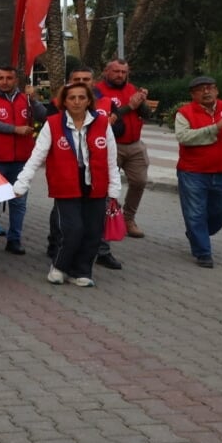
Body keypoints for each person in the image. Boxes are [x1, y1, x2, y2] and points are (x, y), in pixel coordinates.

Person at [13, 82, 120, 287]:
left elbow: (111, 159)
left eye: (82, 97)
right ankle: (60, 266)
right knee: (72, 229)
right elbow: (37, 156)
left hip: (95, 183)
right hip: (66, 183)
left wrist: (114, 190)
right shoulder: (53, 124)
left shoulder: (102, 124)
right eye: (72, 98)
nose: (77, 102)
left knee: (92, 231)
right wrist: (22, 183)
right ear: (64, 101)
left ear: (89, 100)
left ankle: (81, 270)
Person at [43, 66, 126, 270]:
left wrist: (110, 124)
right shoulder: (57, 105)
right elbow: (47, 133)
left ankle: (100, 254)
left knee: (94, 221)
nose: (82, 81)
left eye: (86, 78)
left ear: (93, 81)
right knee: (67, 221)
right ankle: (58, 248)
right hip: (66, 176)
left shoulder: (106, 103)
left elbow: (120, 129)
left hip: (96, 174)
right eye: (77, 78)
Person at [173, 75, 222, 269]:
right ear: (193, 94)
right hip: (193, 172)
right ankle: (203, 253)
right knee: (195, 213)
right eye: (201, 89)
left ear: (217, 91)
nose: (206, 91)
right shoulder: (184, 112)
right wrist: (214, 129)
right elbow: (184, 137)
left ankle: (196, 233)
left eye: (210, 88)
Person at [0, 67, 45, 254]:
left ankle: (14, 239)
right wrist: (14, 129)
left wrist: (34, 99)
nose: (4, 81)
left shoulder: (25, 99)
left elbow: (43, 116)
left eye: (9, 78)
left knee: (19, 202)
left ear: (16, 80)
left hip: (21, 159)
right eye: (0, 78)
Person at [97, 59, 151, 238]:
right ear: (106, 72)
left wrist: (141, 100)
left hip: (135, 144)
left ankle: (128, 218)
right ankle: (106, 218)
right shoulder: (98, 91)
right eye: (116, 71)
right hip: (112, 145)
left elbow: (146, 114)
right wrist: (130, 106)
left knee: (140, 181)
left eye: (123, 72)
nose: (120, 75)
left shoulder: (131, 88)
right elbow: (104, 117)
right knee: (106, 185)